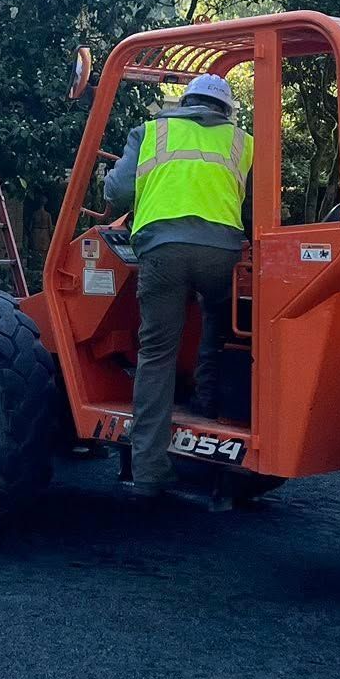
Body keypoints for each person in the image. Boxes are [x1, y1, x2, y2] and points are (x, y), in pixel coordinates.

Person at [101, 72, 253, 499]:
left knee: (156, 353)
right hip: (223, 253)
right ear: (226, 109)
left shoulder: (151, 131)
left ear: (186, 101)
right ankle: (207, 408)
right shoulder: (244, 143)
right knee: (216, 328)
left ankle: (149, 470)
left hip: (163, 252)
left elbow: (119, 189)